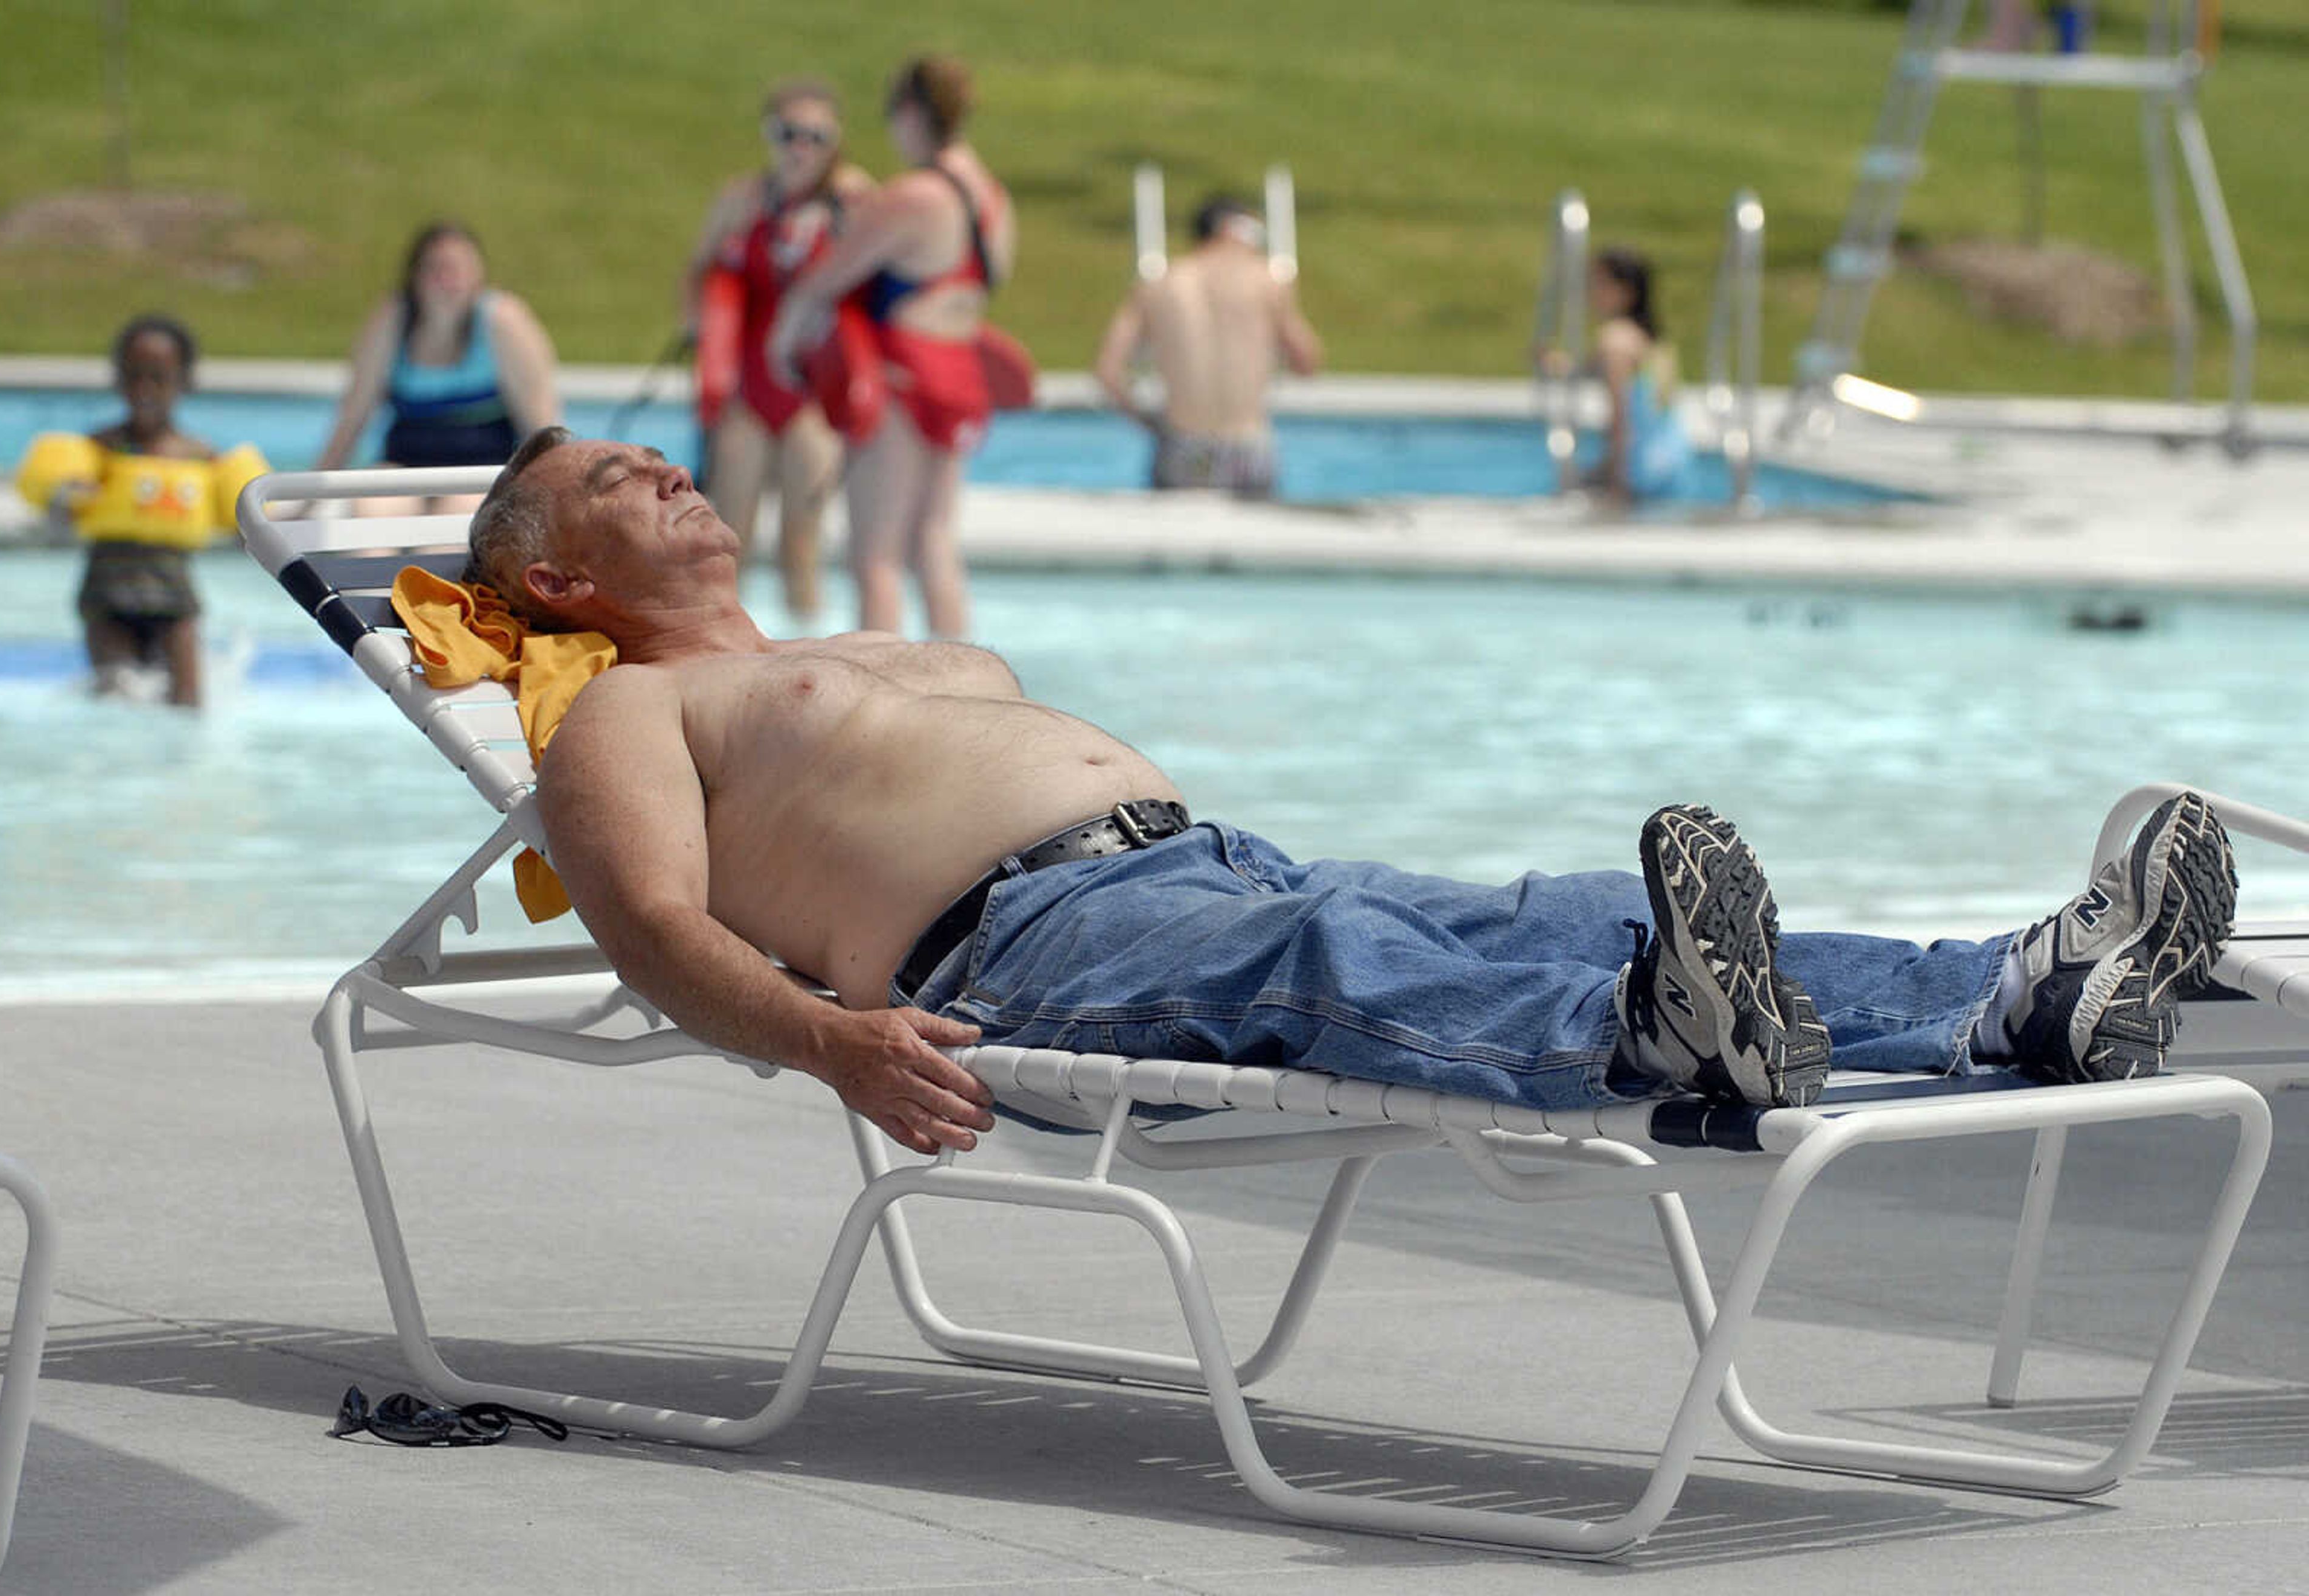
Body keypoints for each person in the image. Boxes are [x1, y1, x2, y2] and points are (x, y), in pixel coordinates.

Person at [454, 426, 2242, 1157]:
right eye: (615, 480)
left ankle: (2014, 987)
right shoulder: (624, 715)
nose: (663, 464)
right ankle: (1655, 1031)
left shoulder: (840, 641)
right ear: (551, 585)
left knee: (1544, 910)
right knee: (1343, 956)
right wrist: (829, 1041)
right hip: (1019, 947)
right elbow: (657, 930)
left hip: (1193, 867)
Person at [765, 55, 1015, 638]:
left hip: (904, 374)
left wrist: (783, 347)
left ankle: (879, 698)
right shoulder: (996, 200)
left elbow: (824, 279)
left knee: (874, 553)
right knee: (933, 542)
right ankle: (962, 687)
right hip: (962, 371)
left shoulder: (914, 195)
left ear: (908, 113)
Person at [684, 78, 871, 619]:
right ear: (771, 137)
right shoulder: (742, 200)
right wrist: (706, 329)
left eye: (817, 136)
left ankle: (804, 659)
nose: (801, 148)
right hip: (749, 390)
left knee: (802, 545)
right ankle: (722, 658)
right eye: (790, 134)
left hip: (814, 398)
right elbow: (696, 275)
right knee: (726, 543)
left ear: (835, 142)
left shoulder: (854, 204)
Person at [14, 314, 268, 708]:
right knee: (117, 695)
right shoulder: (97, 450)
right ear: (117, 379)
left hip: (175, 595)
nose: (144, 388)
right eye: (133, 375)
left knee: (189, 703)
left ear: (184, 381)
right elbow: (58, 519)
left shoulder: (202, 458)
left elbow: (245, 535)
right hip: (106, 594)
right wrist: (65, 497)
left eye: (158, 376)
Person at [312, 221, 560, 514]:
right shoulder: (392, 321)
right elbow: (351, 421)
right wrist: (303, 504)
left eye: (459, 269)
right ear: (415, 277)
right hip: (406, 471)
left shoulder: (504, 323)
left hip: (482, 475)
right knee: (372, 509)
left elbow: (543, 431)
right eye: (437, 269)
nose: (448, 280)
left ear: (478, 276)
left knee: (460, 512)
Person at [1093, 194, 1323, 498]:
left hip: (1182, 446)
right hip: (1247, 448)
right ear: (1230, 229)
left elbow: (1108, 372)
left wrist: (1148, 422)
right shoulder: (1267, 282)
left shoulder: (1157, 285)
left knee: (1174, 544)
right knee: (1256, 542)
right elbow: (1307, 362)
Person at [1582, 247, 1695, 506]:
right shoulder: (1651, 338)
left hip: (1639, 466)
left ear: (1626, 291)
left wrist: (1615, 480)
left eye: (1600, 284)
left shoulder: (1615, 342)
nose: (1592, 292)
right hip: (1674, 459)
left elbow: (1621, 420)